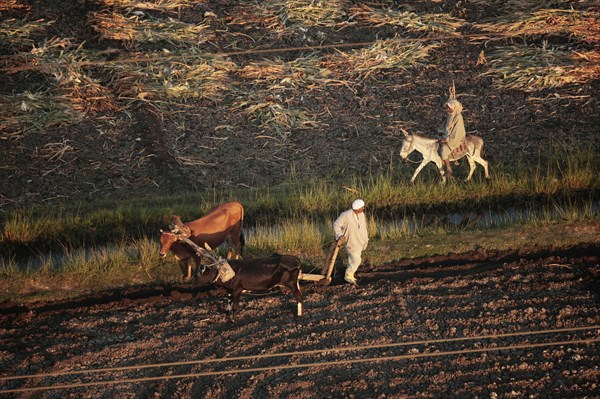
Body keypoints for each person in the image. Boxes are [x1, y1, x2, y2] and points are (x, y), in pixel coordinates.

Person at [333, 199, 369, 286]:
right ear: (357, 208)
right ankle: (348, 275)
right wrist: (340, 235)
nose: (363, 208)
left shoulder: (361, 214)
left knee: (353, 258)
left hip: (360, 240)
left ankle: (351, 273)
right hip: (351, 241)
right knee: (357, 260)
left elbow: (363, 226)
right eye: (362, 207)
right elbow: (336, 225)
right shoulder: (345, 215)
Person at [437, 98, 466, 176]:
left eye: (449, 107)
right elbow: (445, 125)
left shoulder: (458, 117)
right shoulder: (450, 115)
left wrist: (447, 139)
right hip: (447, 134)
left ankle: (449, 168)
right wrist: (441, 130)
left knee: (444, 151)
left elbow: (457, 132)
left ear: (453, 107)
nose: (447, 109)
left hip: (455, 138)